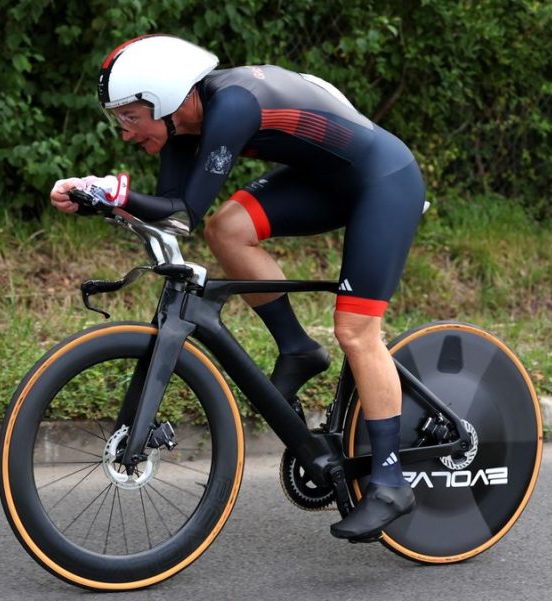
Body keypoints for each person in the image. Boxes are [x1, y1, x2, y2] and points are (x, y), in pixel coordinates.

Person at [50, 34, 427, 541]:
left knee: (357, 331)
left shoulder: (232, 105)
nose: (125, 134)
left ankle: (389, 481)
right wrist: (97, 196)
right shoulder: (182, 126)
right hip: (323, 181)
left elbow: (179, 210)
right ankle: (297, 348)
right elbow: (176, 220)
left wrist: (114, 191)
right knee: (225, 229)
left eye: (128, 117)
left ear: (160, 95)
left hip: (385, 180)